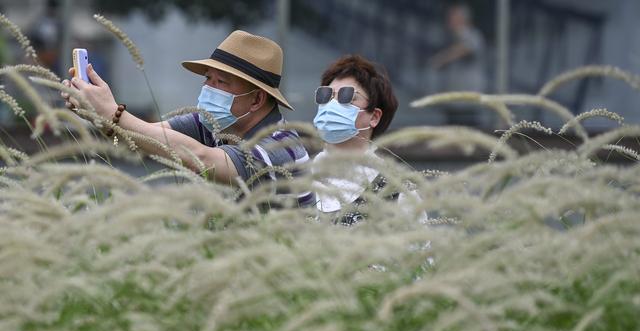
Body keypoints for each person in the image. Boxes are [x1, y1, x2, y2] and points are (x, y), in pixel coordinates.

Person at [63, 30, 313, 207]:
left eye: (221, 82)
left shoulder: (280, 149)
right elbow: (144, 136)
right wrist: (97, 112)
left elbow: (203, 158)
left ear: (257, 100)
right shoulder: (211, 124)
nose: (209, 88)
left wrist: (113, 115)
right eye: (208, 78)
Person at [312, 54, 407, 225]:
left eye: (347, 96)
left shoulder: (397, 191)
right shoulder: (295, 177)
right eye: (326, 95)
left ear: (374, 117)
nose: (331, 105)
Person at [429, 3, 487, 127]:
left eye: (452, 17)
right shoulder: (453, 37)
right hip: (454, 102)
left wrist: (442, 59)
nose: (449, 20)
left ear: (461, 19)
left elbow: (465, 48)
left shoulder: (472, 35)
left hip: (467, 102)